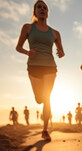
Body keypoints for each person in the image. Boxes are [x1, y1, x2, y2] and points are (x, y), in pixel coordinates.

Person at [16, 0, 65, 141]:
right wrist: (27, 52)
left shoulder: (55, 32)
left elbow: (61, 51)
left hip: (50, 66)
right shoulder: (28, 28)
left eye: (45, 8)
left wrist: (61, 53)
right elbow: (18, 47)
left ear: (47, 13)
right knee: (39, 99)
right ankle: (44, 125)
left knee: (47, 98)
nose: (42, 9)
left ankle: (45, 130)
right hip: (33, 66)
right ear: (35, 11)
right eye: (39, 7)